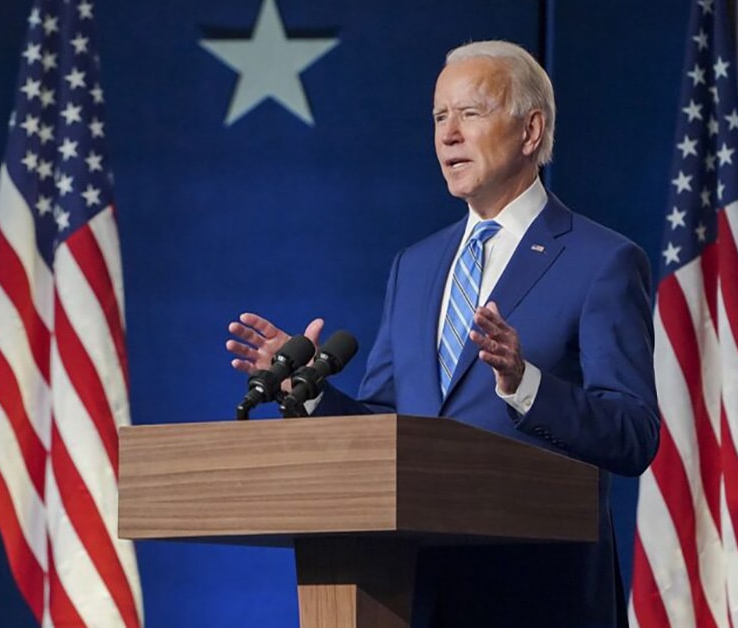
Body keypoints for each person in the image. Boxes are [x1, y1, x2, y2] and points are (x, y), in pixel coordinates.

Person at [227, 40, 660, 628]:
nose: (448, 134)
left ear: (531, 131)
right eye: (438, 116)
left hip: (538, 593)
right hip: (409, 591)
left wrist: (525, 383)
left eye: (471, 113)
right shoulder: (417, 264)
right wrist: (308, 392)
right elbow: (387, 421)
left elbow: (633, 433)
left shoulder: (601, 260)